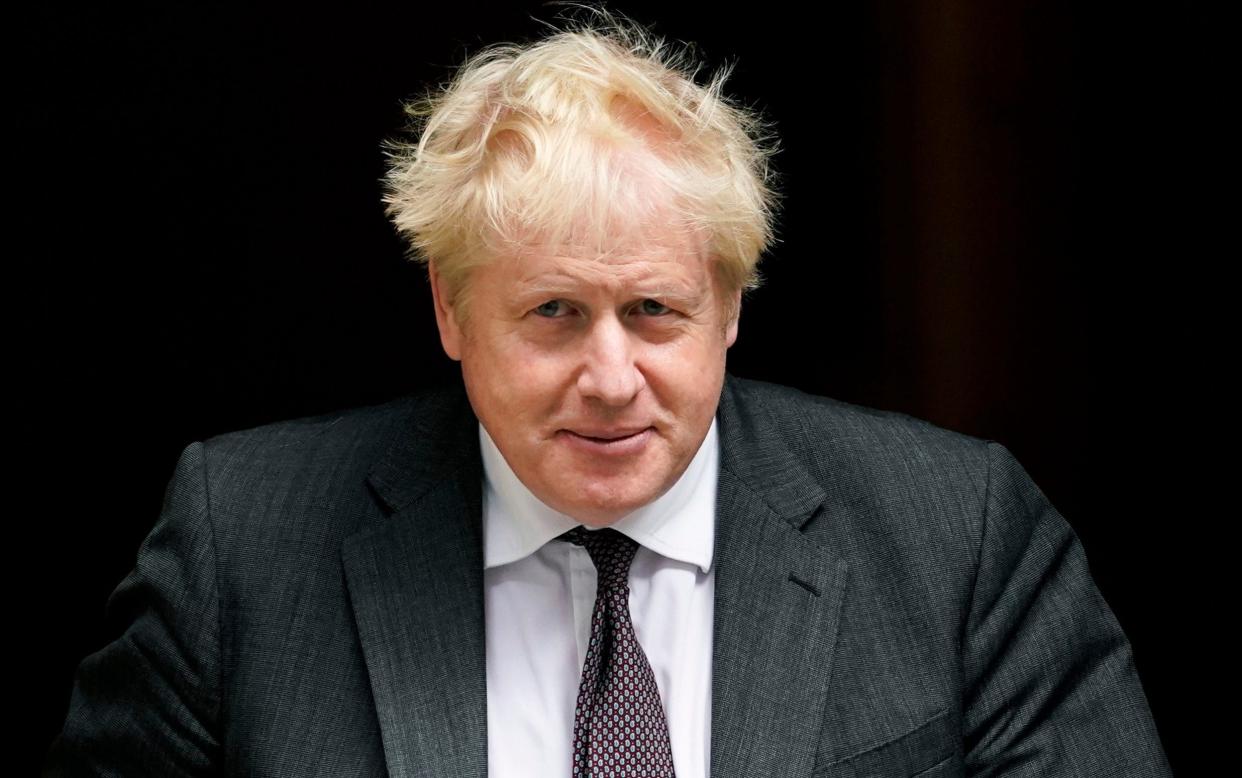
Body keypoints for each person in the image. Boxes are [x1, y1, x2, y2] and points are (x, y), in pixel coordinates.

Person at [46, 8, 1170, 777]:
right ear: (448, 308)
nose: (611, 378)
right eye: (552, 314)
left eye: (656, 312)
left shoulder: (957, 536)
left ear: (729, 305)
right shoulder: (242, 546)